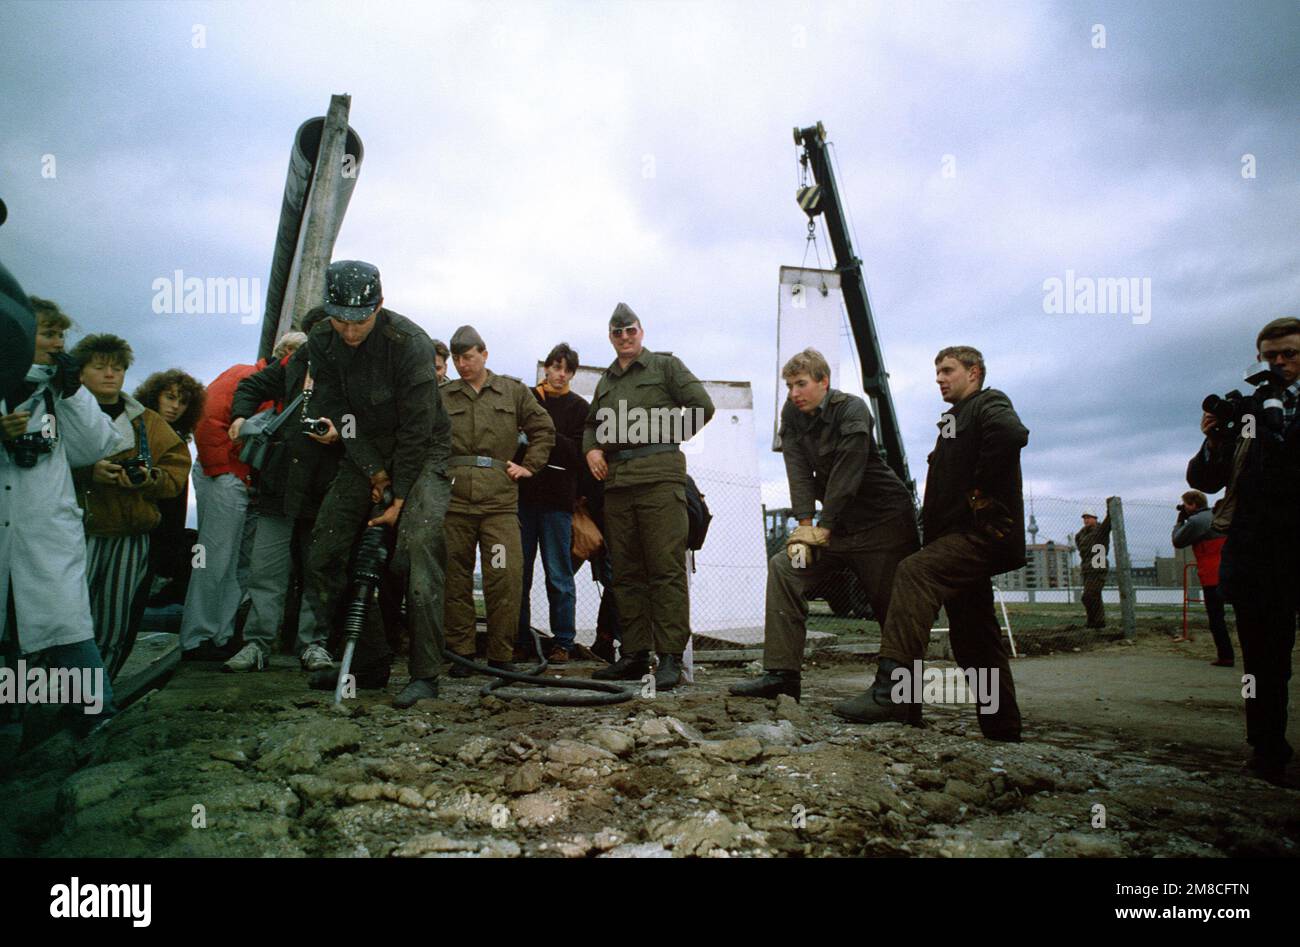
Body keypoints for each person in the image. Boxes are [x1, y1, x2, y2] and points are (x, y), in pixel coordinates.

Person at [833, 345, 1026, 740]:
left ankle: (892, 692)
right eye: (937, 371)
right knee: (974, 637)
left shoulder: (989, 402)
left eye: (948, 370)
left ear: (974, 372)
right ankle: (1002, 727)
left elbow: (1010, 434)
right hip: (956, 538)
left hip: (978, 537)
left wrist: (981, 493)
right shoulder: (953, 420)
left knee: (915, 572)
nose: (939, 378)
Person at [300, 260, 453, 707]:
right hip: (362, 448)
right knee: (325, 552)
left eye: (360, 321)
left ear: (380, 306)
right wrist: (371, 470)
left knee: (418, 548)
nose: (349, 332)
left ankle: (425, 675)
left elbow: (418, 428)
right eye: (340, 320)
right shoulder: (321, 340)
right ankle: (367, 663)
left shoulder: (410, 344)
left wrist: (399, 494)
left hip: (422, 452)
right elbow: (335, 410)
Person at [730, 348, 918, 702]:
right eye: (789, 386)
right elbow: (798, 471)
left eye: (801, 384)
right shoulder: (793, 414)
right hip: (837, 530)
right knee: (788, 568)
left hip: (883, 526)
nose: (793, 393)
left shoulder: (851, 409)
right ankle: (782, 676)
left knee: (891, 607)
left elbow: (849, 472)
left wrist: (823, 525)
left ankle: (898, 697)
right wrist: (805, 527)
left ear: (824, 382)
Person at [1187, 316, 1300, 782]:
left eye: (1289, 353)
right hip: (1257, 548)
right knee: (1263, 658)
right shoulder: (1249, 409)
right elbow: (1204, 479)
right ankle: (1267, 748)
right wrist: (1215, 435)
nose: (1278, 363)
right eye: (1270, 355)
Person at [1, 297, 118, 735]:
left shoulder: (59, 390)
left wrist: (72, 394)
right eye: (47, 334)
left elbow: (96, 446)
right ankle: (12, 719)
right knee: (8, 631)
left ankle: (97, 714)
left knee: (67, 627)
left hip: (46, 531)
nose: (57, 343)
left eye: (60, 335)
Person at [586, 303, 714, 691]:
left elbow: (702, 407)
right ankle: (635, 653)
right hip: (618, 485)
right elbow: (592, 425)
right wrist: (591, 450)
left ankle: (671, 657)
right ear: (610, 336)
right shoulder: (606, 381)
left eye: (630, 331)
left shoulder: (665, 367)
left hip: (659, 479)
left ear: (641, 332)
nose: (624, 338)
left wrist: (653, 432)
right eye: (617, 332)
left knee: (665, 570)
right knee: (625, 574)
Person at [70, 334, 191, 678]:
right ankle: (43, 705)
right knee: (66, 619)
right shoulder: (65, 413)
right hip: (78, 532)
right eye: (100, 367)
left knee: (113, 622)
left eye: (118, 368)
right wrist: (87, 472)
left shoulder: (147, 422)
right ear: (81, 373)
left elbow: (175, 472)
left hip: (130, 535)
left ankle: (95, 699)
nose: (111, 374)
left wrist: (149, 478)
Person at [223, 319, 339, 672]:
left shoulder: (354, 369)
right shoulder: (294, 363)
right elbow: (251, 385)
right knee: (266, 568)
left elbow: (369, 420)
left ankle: (313, 644)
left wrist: (340, 433)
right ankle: (257, 643)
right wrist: (241, 416)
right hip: (280, 481)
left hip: (324, 485)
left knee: (317, 569)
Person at [440, 325, 555, 675]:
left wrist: (528, 467)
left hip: (499, 505)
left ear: (484, 354)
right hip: (455, 501)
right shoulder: (444, 396)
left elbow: (543, 430)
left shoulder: (512, 391)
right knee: (454, 577)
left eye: (469, 357)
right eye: (457, 358)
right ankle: (461, 652)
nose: (462, 365)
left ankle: (500, 653)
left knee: (504, 575)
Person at [513, 342, 588, 664]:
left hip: (558, 503)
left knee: (559, 576)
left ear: (572, 373)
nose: (559, 374)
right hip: (523, 500)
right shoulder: (526, 397)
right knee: (519, 575)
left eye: (566, 369)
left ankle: (563, 643)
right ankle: (519, 641)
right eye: (555, 367)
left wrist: (545, 433)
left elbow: (577, 455)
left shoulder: (579, 408)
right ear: (546, 367)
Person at [133, 368, 205, 607]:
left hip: (162, 531)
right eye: (170, 397)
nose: (176, 406)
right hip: (135, 524)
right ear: (155, 396)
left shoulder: (179, 440)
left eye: (183, 402)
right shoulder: (137, 428)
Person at [1171, 489, 1233, 666]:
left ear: (1192, 505)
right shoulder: (1216, 515)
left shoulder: (1197, 521)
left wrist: (1179, 521)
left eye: (1185, 504)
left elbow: (1178, 541)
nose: (1184, 507)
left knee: (1216, 618)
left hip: (1212, 575)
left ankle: (1226, 656)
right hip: (1231, 570)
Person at [1075, 510, 1112, 628]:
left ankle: (1096, 621)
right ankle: (1096, 622)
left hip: (1098, 566)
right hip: (1087, 568)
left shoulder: (1101, 531)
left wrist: (1110, 509)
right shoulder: (1080, 535)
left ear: (1095, 519)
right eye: (1084, 518)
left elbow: (1108, 523)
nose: (1086, 520)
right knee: (1094, 596)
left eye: (1089, 517)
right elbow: (1080, 548)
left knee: (1088, 596)